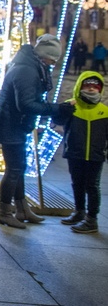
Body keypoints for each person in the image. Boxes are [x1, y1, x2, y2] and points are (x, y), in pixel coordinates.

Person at [0, 34, 73, 229]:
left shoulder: (28, 65)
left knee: (17, 168)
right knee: (14, 169)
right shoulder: (27, 70)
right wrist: (56, 109)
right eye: (52, 60)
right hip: (11, 126)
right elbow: (26, 104)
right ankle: (4, 212)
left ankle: (21, 208)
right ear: (44, 56)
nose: (52, 64)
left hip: (14, 125)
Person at [55, 72, 106, 234]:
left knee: (92, 186)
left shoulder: (104, 111)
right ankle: (79, 211)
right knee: (77, 183)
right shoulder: (71, 106)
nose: (91, 89)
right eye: (87, 86)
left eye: (95, 86)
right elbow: (57, 121)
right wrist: (64, 110)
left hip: (95, 156)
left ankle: (92, 219)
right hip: (75, 153)